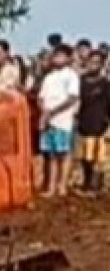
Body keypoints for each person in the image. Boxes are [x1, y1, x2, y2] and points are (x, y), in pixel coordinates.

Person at [38, 43, 80, 197]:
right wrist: (45, 112)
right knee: (51, 154)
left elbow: (72, 97)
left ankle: (62, 186)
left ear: (68, 58)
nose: (57, 58)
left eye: (61, 55)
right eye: (56, 55)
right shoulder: (48, 77)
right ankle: (51, 187)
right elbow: (41, 98)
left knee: (64, 153)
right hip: (49, 120)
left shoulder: (71, 75)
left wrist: (53, 111)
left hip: (63, 120)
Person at [76, 50, 110, 195]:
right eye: (91, 62)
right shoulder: (81, 81)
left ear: (101, 65)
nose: (93, 65)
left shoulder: (105, 84)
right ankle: (86, 182)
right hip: (84, 123)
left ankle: (97, 186)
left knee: (99, 158)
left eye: (97, 62)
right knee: (85, 157)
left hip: (100, 123)